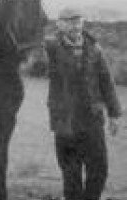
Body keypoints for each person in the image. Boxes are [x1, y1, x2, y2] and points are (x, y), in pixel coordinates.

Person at [45, 8, 122, 200]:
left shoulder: (94, 48)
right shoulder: (50, 47)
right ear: (60, 24)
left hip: (92, 121)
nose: (76, 26)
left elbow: (106, 82)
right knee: (71, 176)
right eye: (70, 22)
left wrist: (114, 114)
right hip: (65, 123)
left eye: (79, 21)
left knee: (99, 170)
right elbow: (23, 48)